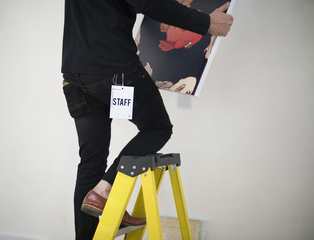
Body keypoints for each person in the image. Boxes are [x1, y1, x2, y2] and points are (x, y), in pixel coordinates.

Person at [61, 0, 233, 239]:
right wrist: (207, 23)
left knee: (91, 160)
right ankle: (103, 191)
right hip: (113, 68)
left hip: (74, 72)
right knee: (157, 128)